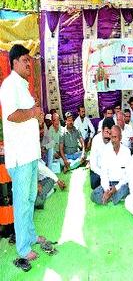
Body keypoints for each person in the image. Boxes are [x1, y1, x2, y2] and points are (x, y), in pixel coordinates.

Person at [0, 44, 45, 261]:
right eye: (25, 60)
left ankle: (31, 235)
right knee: (21, 203)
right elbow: (11, 115)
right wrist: (33, 112)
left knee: (29, 199)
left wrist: (38, 116)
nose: (29, 64)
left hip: (31, 154)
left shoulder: (23, 86)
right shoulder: (9, 86)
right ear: (15, 62)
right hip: (20, 158)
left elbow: (28, 115)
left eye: (30, 60)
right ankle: (23, 248)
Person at [91, 126, 130, 205]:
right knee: (93, 195)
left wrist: (116, 188)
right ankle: (114, 198)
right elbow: (104, 173)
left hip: (121, 184)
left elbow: (127, 175)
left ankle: (108, 199)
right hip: (109, 184)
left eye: (115, 137)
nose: (113, 140)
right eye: (112, 137)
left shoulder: (126, 151)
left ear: (120, 137)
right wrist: (107, 190)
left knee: (126, 188)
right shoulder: (106, 151)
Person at [90, 118, 115, 190]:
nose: (108, 136)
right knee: (94, 184)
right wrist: (104, 176)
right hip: (98, 170)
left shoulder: (114, 139)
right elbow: (93, 165)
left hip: (110, 169)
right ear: (102, 129)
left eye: (110, 133)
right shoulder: (96, 140)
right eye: (106, 132)